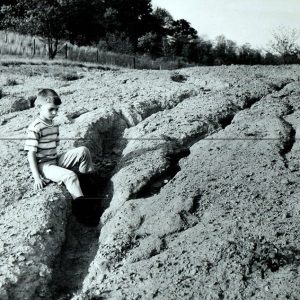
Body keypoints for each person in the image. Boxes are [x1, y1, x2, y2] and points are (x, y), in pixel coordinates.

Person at [24, 88, 98, 225]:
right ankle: (84, 213)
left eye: (56, 110)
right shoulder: (35, 127)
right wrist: (36, 177)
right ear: (39, 107)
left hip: (54, 159)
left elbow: (54, 147)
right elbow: (30, 154)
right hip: (44, 165)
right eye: (51, 109)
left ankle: (87, 186)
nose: (54, 113)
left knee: (83, 150)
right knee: (70, 176)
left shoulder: (53, 125)